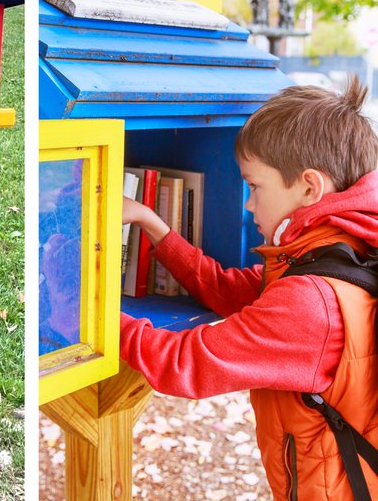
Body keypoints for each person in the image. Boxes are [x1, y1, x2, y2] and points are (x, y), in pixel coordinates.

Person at [120, 79, 378, 501]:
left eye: (254, 186)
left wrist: (83, 312)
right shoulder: (346, 248)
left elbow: (184, 362)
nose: (248, 204)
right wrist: (153, 223)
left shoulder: (311, 303)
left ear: (310, 187)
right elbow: (227, 288)